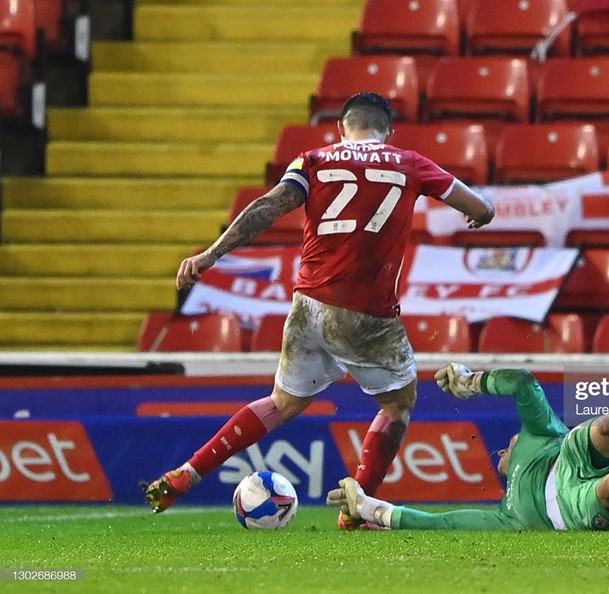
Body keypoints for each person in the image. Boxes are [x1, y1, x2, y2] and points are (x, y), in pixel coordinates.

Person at [144, 93, 495, 529]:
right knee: (398, 403)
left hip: (307, 305)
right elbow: (481, 207)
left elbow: (267, 207)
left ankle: (189, 472)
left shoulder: (313, 159)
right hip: (367, 312)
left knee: (283, 402)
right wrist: (482, 214)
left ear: (342, 129)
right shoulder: (408, 161)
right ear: (387, 130)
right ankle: (357, 510)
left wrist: (211, 254)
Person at [327, 363, 609, 531]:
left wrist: (468, 382)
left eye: (503, 450)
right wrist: (369, 508)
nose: (501, 453)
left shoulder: (541, 435)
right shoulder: (506, 515)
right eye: (498, 458)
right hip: (574, 506)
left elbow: (523, 383)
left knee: (605, 429)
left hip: (570, 452)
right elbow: (439, 522)